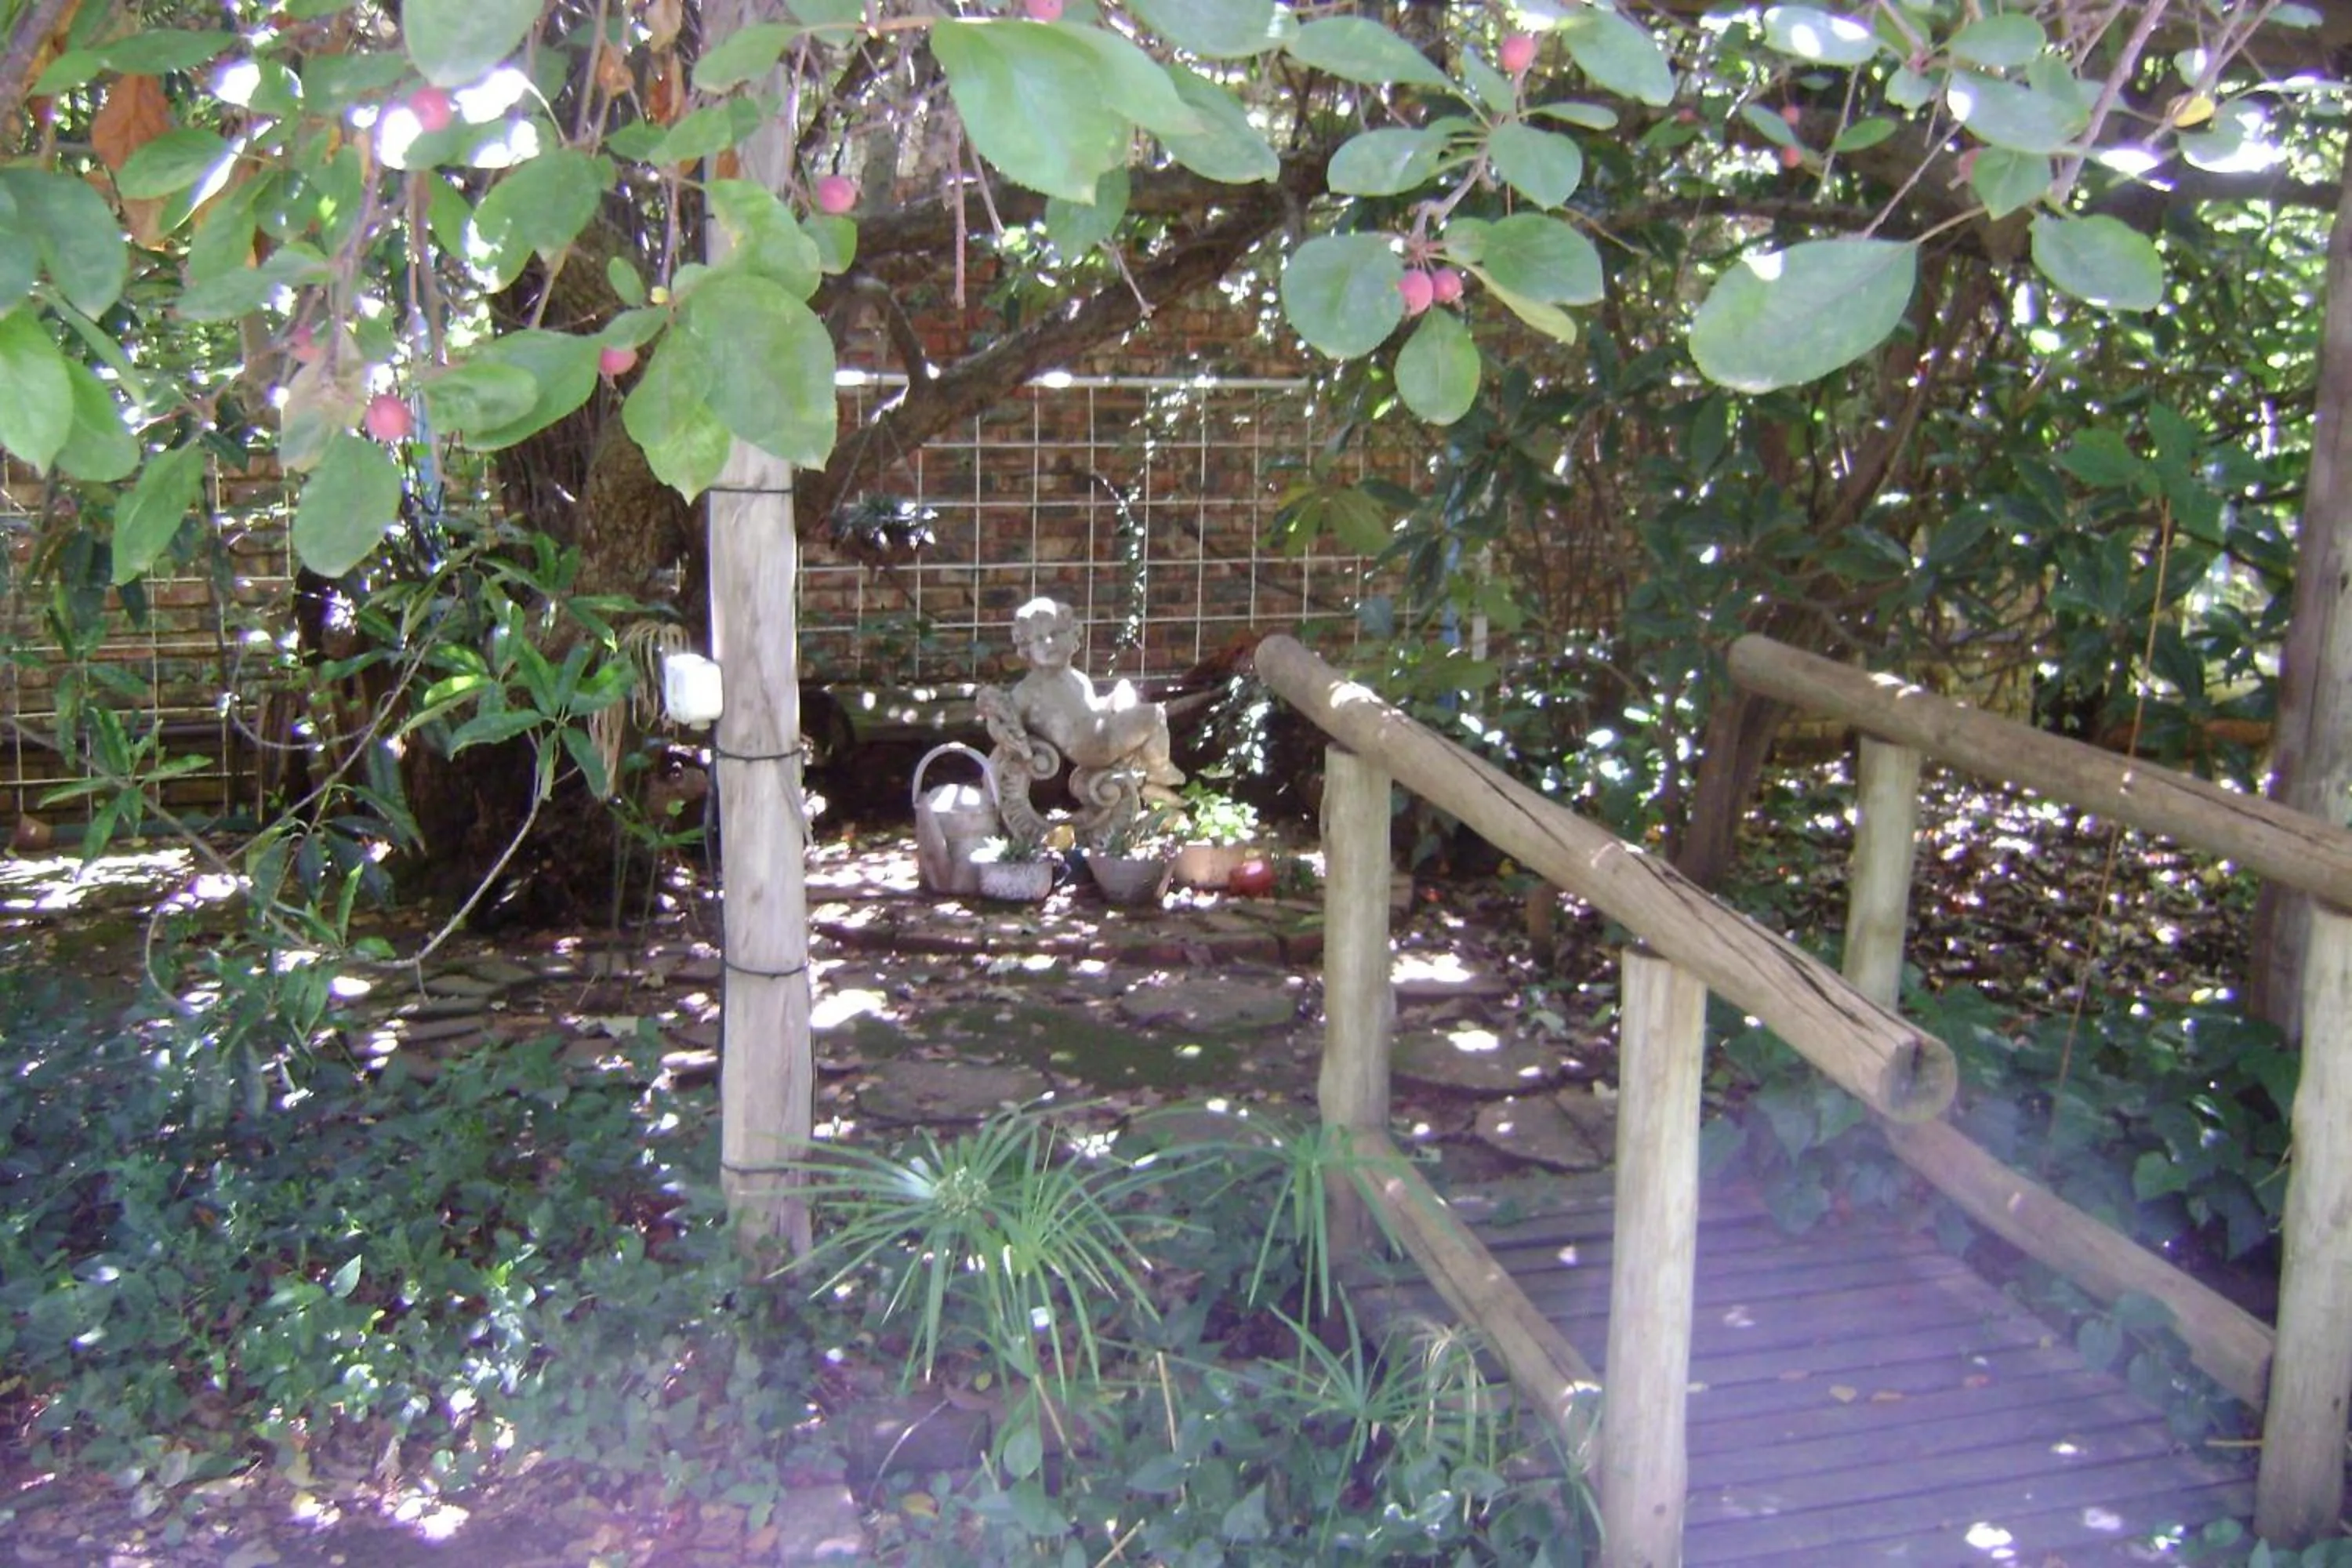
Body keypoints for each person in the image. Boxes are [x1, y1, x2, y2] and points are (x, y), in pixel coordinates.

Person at [1007, 597, 1184, 790]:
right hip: (1094, 746)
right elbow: (1006, 715)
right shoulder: (1030, 688)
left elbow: (1091, 710)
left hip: (1099, 732)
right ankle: (1159, 769)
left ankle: (1140, 763)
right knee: (1154, 715)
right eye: (1039, 639)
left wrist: (1112, 701)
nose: (1049, 643)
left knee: (1124, 688)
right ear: (1027, 649)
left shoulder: (1078, 678)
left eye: (1055, 634)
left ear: (1074, 635)